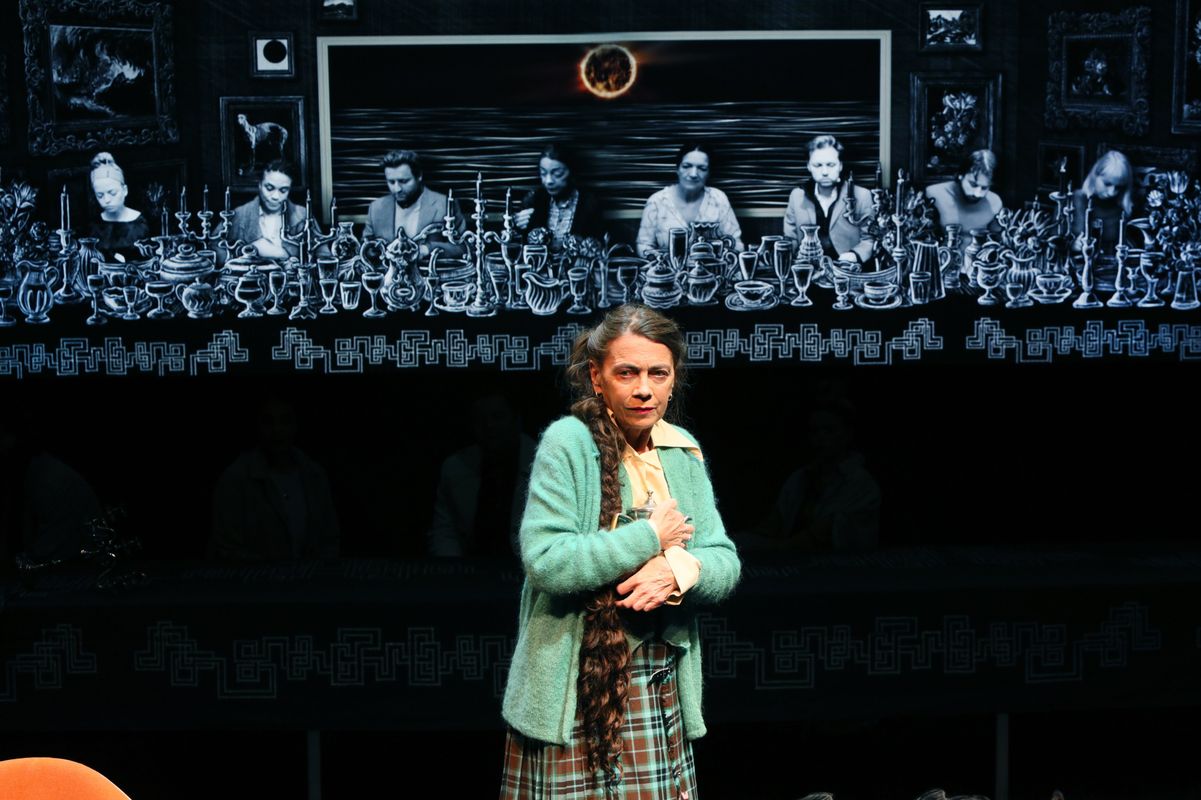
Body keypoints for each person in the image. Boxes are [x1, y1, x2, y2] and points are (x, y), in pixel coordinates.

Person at [500, 304, 741, 798]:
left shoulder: (681, 450)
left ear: (674, 380)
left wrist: (678, 570)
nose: (644, 389)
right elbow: (546, 560)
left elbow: (723, 558)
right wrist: (649, 538)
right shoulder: (568, 443)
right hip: (575, 681)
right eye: (627, 372)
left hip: (656, 681)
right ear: (597, 376)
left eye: (658, 373)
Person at [209, 395, 340, 562]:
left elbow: (330, 539)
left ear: (295, 426)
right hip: (257, 578)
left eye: (285, 421)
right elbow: (226, 548)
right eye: (268, 422)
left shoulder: (314, 475)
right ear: (257, 427)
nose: (277, 430)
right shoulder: (236, 479)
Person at [737, 401, 880, 554]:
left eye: (829, 430)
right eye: (814, 431)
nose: (820, 437)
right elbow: (774, 524)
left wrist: (774, 547)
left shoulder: (862, 484)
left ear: (848, 434)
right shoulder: (799, 478)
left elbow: (820, 535)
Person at [426, 392, 536, 559]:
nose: (489, 426)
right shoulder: (455, 468)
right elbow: (446, 530)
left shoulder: (548, 464)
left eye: (497, 417)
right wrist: (453, 568)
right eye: (480, 420)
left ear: (516, 420)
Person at [636, 142, 743, 257]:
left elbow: (736, 243)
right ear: (677, 169)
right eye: (686, 166)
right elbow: (643, 245)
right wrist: (658, 260)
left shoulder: (718, 199)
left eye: (702, 168)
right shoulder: (657, 201)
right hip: (667, 268)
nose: (693, 174)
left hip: (710, 268)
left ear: (709, 173)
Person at [783, 134, 875, 264]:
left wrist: (855, 255)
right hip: (808, 270)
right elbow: (790, 239)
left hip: (848, 270)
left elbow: (869, 239)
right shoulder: (796, 196)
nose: (825, 172)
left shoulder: (862, 196)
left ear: (840, 166)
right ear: (808, 166)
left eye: (831, 165)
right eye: (818, 165)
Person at [361, 149, 465, 256]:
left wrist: (427, 249)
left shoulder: (444, 204)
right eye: (391, 182)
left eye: (404, 181)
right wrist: (373, 251)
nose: (397, 189)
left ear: (419, 176)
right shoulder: (376, 208)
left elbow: (463, 247)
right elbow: (365, 247)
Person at [512, 143, 607, 242]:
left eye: (557, 174)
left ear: (572, 172)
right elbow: (518, 239)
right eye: (543, 173)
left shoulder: (588, 203)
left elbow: (597, 242)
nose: (548, 181)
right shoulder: (533, 200)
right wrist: (517, 227)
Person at [924, 149, 1004, 254]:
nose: (977, 193)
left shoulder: (995, 202)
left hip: (977, 261)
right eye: (973, 184)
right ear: (961, 175)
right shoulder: (934, 194)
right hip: (942, 259)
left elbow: (996, 242)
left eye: (984, 188)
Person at [228, 160, 309, 262]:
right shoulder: (240, 214)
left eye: (283, 190)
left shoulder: (302, 215)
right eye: (269, 188)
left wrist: (285, 256)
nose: (276, 196)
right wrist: (248, 250)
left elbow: (321, 255)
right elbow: (216, 249)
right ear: (260, 185)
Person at [86, 152, 150, 262]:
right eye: (100, 195)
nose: (107, 200)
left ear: (125, 190)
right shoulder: (94, 225)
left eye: (112, 193)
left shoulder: (140, 224)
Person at [1071, 150, 1134, 254]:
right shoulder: (1076, 200)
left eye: (1118, 187)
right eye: (1107, 184)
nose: (1111, 192)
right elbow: (1054, 240)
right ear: (1095, 176)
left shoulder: (1121, 208)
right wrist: (1072, 245)